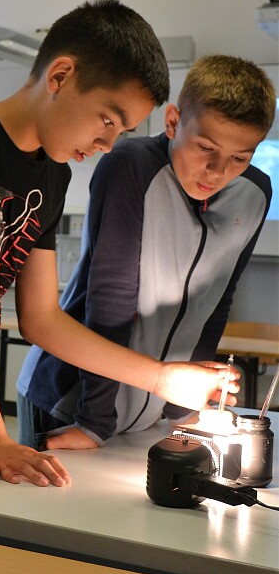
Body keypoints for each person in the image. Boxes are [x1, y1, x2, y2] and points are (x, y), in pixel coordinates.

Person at [0, 0, 240, 488]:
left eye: (122, 131)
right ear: (59, 76)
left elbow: (42, 318)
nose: (108, 144)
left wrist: (161, 377)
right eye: (108, 120)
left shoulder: (52, 175)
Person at [17, 55, 275, 450]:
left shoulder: (254, 194)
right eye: (205, 147)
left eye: (239, 158)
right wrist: (94, 422)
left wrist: (184, 407)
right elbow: (110, 298)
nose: (216, 170)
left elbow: (217, 298)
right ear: (172, 122)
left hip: (152, 407)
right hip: (73, 400)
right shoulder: (131, 166)